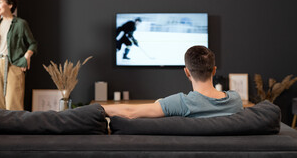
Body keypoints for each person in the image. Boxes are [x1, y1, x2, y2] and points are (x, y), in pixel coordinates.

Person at [103, 45, 243, 119]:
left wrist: (99, 108)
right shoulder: (236, 101)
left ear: (186, 72)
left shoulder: (180, 103)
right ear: (214, 70)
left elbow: (129, 112)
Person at [0, 0, 37, 111]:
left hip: (14, 65)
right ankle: (2, 129)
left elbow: (33, 44)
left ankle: (16, 129)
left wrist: (27, 56)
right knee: (0, 104)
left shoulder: (21, 24)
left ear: (10, 5)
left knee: (13, 104)